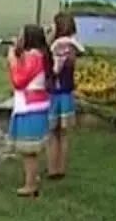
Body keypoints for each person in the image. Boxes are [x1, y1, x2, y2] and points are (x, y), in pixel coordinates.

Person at [7, 24, 53, 198]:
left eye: (21, 36)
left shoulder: (33, 57)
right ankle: (33, 177)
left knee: (29, 151)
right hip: (37, 106)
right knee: (32, 150)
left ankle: (30, 185)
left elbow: (19, 80)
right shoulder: (40, 55)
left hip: (29, 108)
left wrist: (12, 58)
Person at [48, 13, 84, 181]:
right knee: (64, 134)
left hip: (53, 95)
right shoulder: (73, 48)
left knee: (53, 133)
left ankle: (52, 168)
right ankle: (61, 168)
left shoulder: (55, 46)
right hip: (67, 93)